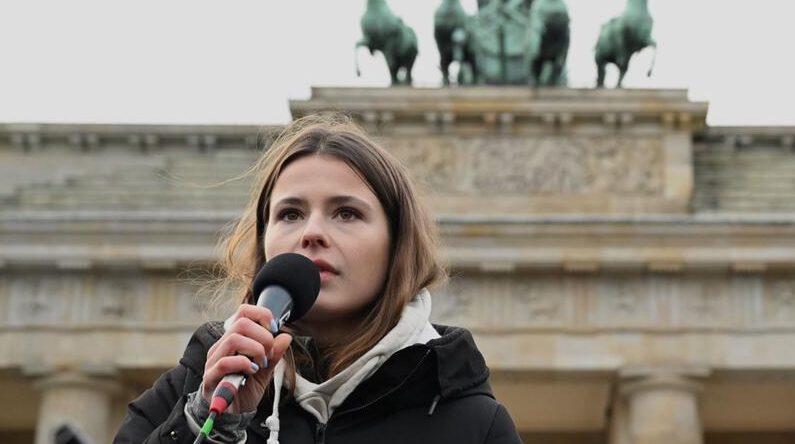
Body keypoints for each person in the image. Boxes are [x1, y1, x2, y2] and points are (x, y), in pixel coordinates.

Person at [115, 114, 522, 444]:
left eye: (346, 213)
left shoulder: (472, 424)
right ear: (264, 243)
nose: (312, 232)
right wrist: (207, 426)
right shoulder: (194, 389)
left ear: (396, 246)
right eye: (290, 214)